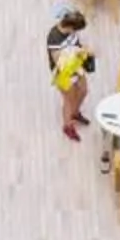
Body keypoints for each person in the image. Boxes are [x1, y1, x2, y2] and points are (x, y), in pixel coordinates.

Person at [46, 11, 95, 143]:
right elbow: (59, 63)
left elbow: (76, 44)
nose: (76, 33)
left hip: (76, 66)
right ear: (69, 26)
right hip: (63, 73)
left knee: (83, 90)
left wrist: (83, 49)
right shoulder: (54, 38)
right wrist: (77, 53)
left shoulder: (71, 31)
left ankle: (75, 113)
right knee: (69, 99)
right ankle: (68, 126)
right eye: (75, 30)